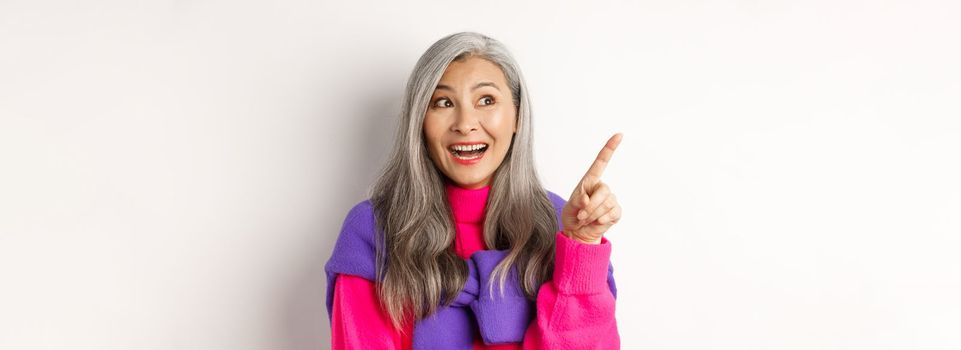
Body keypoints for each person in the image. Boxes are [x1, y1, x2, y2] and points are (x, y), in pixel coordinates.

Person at [324, 31, 623, 349]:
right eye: (443, 102)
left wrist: (583, 246)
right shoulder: (374, 231)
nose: (465, 123)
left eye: (486, 100)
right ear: (420, 122)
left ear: (517, 117)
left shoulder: (563, 224)